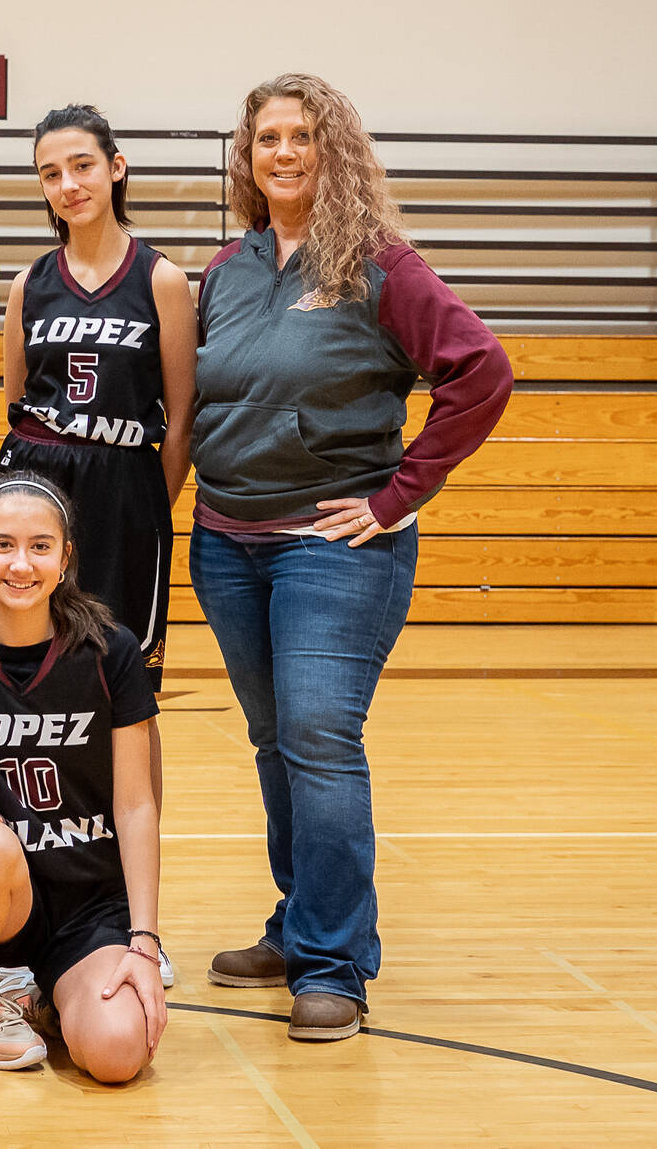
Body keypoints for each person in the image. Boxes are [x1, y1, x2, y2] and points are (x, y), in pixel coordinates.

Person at [191, 73, 511, 1041]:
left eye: (300, 136)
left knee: (320, 742)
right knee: (272, 741)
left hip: (331, 549)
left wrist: (395, 495)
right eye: (264, 140)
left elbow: (480, 373)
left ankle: (333, 964)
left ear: (332, 152)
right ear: (245, 160)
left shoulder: (378, 266)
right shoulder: (224, 269)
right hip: (224, 542)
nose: (281, 153)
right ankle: (295, 927)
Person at [0, 104, 194, 985]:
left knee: (125, 699)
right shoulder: (27, 285)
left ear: (116, 168)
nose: (67, 185)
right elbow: (15, 403)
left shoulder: (162, 280)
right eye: (49, 173)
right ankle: (15, 906)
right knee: (27, 685)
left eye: (81, 166)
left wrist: (147, 506)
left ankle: (132, 911)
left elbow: (181, 417)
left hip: (122, 491)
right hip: (38, 486)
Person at [0, 475, 165, 1082]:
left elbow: (136, 805)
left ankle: (44, 998)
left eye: (40, 546)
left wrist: (145, 939)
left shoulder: (111, 651)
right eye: (2, 546)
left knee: (116, 1055)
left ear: (66, 557)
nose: (21, 564)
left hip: (89, 904)